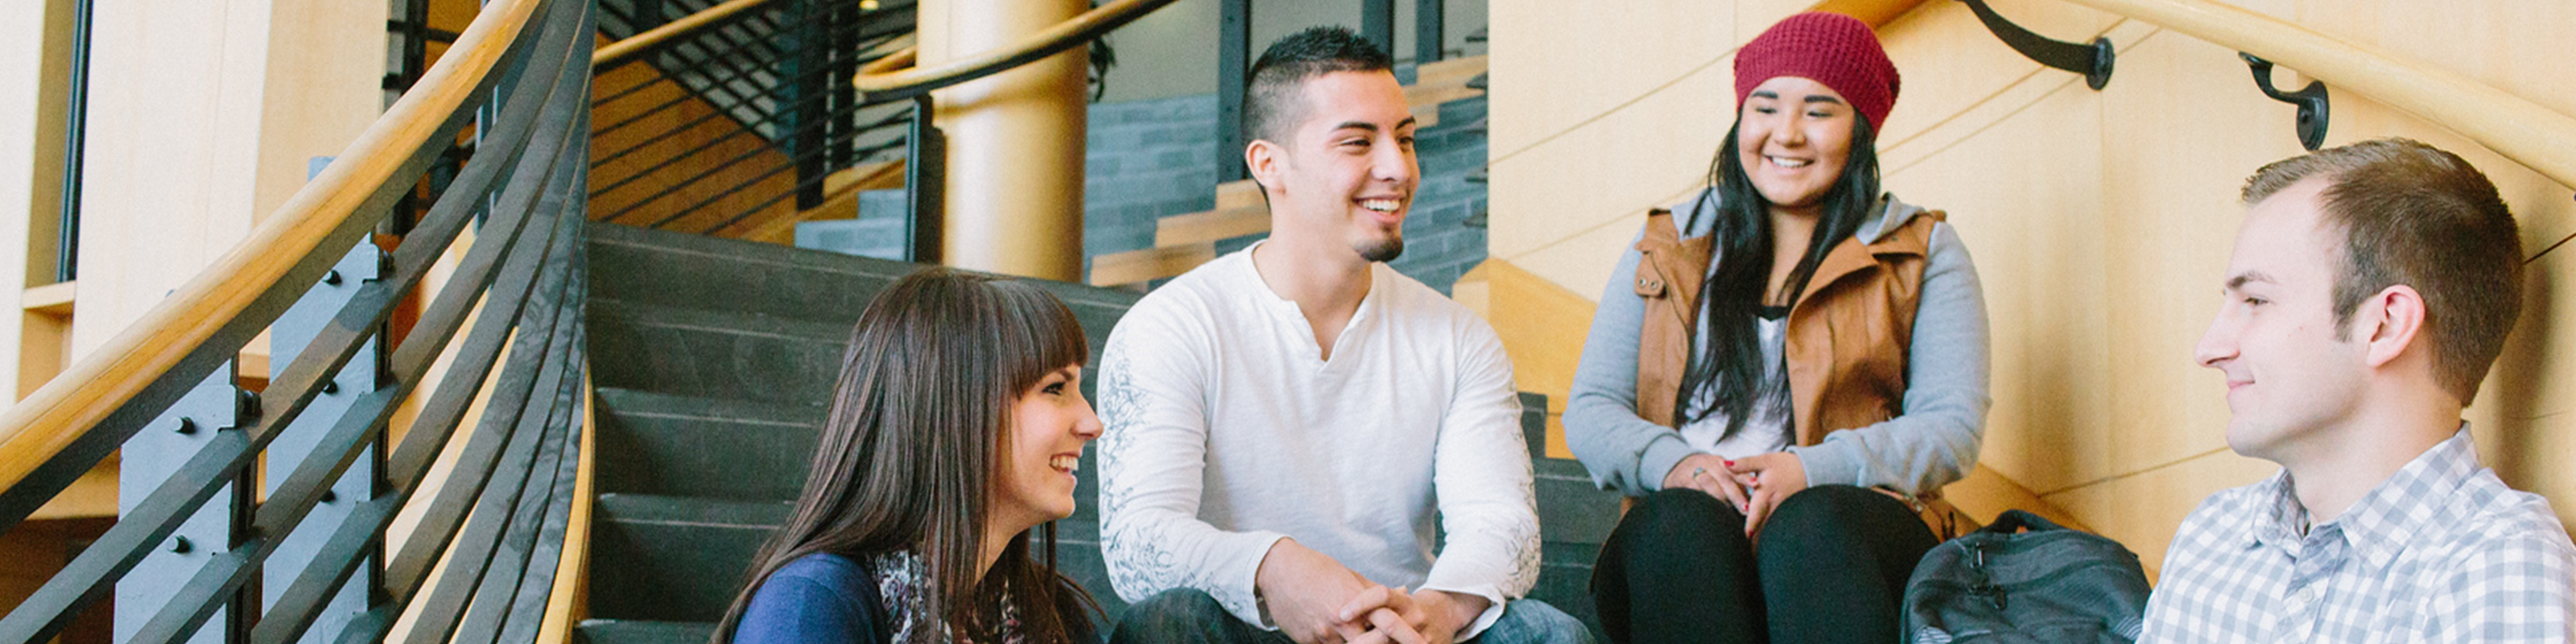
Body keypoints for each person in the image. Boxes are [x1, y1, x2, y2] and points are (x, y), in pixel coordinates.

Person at [1096, 26, 1588, 644]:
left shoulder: (1460, 339)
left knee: (1548, 633)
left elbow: (1501, 523)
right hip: (1247, 627)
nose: (1398, 168)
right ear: (1268, 164)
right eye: (1358, 142)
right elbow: (1137, 544)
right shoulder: (1172, 326)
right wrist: (1276, 567)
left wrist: (1432, 613)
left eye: (1405, 139)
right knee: (1168, 624)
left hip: (1401, 628)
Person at [1560, 11, 1991, 644]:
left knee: (1809, 523)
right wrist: (1680, 466)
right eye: (1765, 108)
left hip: (1852, 534)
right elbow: (1593, 408)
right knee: (1679, 523)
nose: (1786, 133)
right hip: (1688, 534)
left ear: (1861, 129)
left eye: (1819, 111)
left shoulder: (1920, 249)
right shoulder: (1667, 244)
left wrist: (1810, 470)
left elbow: (1952, 427)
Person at [2143, 138, 2575, 642]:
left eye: (2256, 300)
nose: (2209, 349)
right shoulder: (2213, 537)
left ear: (2386, 325)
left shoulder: (2494, 569)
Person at [715, 268, 1106, 644]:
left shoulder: (1050, 615)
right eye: (1055, 388)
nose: (1093, 423)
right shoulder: (811, 608)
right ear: (955, 409)